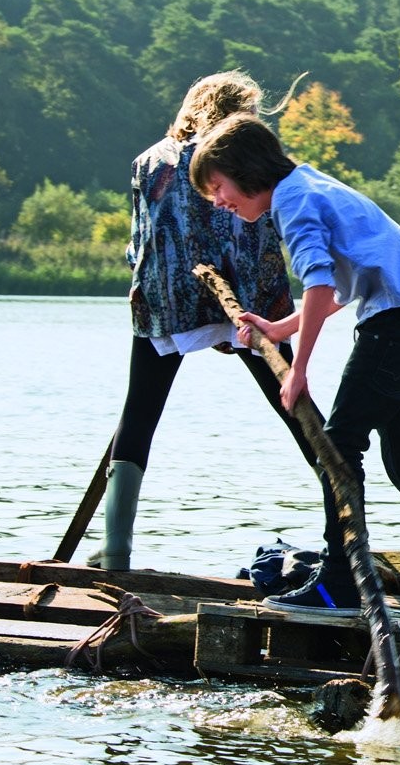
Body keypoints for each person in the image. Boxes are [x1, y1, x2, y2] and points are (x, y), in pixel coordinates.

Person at [189, 112, 400, 616]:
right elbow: (336, 288)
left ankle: (340, 583)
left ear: (246, 169)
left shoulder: (295, 201)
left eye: (218, 187)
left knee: (338, 448)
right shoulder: (307, 185)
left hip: (396, 321)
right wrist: (279, 330)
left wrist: (298, 368)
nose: (219, 201)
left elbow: (320, 283)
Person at [90, 71, 317, 573]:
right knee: (295, 406)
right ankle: (346, 525)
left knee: (139, 415)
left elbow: (137, 244)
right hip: (245, 297)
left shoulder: (147, 161)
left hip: (164, 298)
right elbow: (259, 234)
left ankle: (115, 551)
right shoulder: (240, 158)